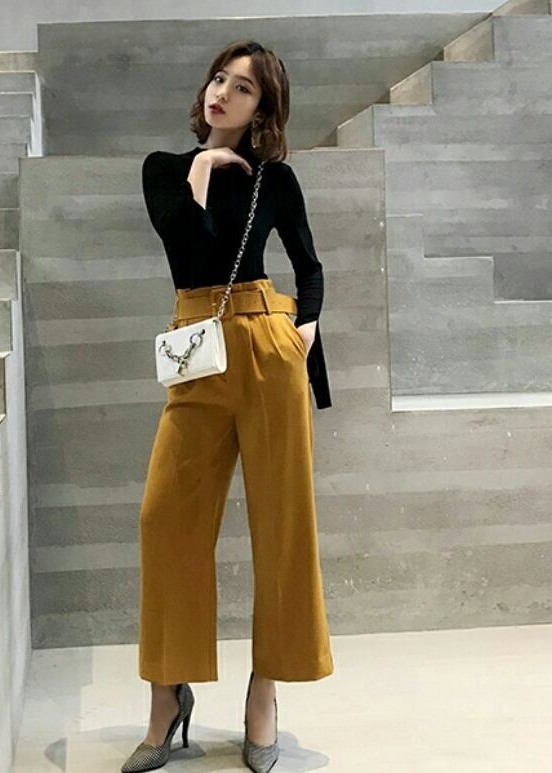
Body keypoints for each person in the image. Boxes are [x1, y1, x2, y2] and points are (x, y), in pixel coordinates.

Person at [122, 40, 335, 773]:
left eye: (242, 88)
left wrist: (305, 329)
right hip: (198, 348)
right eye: (219, 79)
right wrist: (204, 168)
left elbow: (308, 266)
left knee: (283, 524)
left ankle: (264, 693)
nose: (223, 93)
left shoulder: (278, 179)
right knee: (164, 520)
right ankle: (167, 696)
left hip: (268, 346)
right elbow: (189, 248)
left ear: (263, 108)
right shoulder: (163, 169)